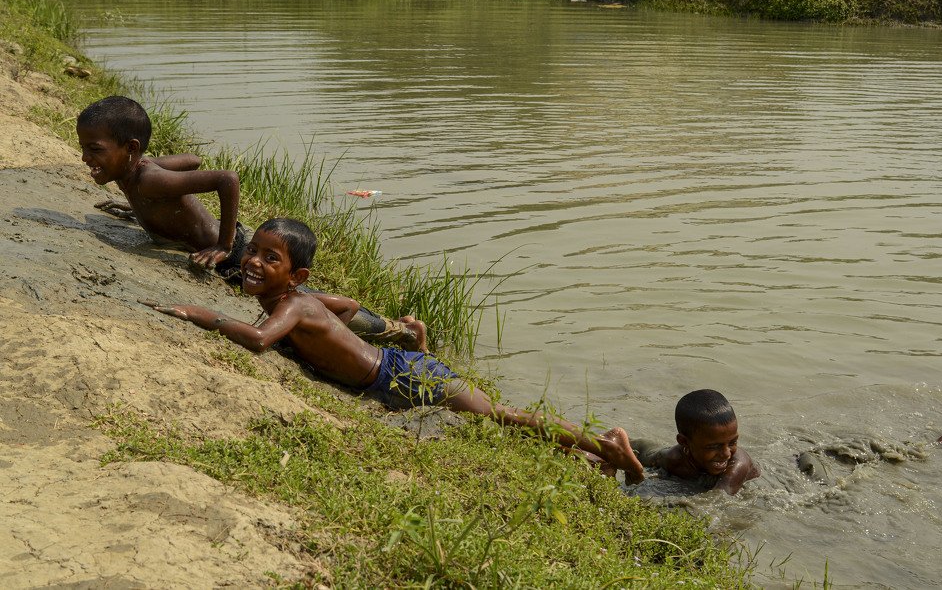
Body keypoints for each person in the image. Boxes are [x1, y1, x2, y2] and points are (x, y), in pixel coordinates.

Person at [143, 217, 645, 484]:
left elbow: (255, 340)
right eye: (252, 251)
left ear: (296, 276)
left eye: (268, 259)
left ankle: (606, 447)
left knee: (500, 415)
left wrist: (199, 313)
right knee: (495, 423)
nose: (252, 262)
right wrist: (345, 332)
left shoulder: (291, 306)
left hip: (405, 377)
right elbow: (344, 303)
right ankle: (588, 455)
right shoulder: (297, 301)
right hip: (397, 370)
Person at [78, 95, 425, 351]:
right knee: (299, 302)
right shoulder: (139, 175)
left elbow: (227, 179)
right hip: (226, 245)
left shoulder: (151, 180)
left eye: (95, 150)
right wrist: (136, 207)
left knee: (301, 301)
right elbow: (193, 159)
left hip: (235, 255)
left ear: (131, 148)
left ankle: (402, 331)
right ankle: (398, 329)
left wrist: (224, 245)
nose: (85, 158)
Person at [632, 389, 759, 494]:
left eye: (732, 442)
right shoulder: (673, 460)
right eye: (714, 446)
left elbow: (719, 498)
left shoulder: (739, 464)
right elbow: (646, 454)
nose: (726, 454)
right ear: (684, 442)